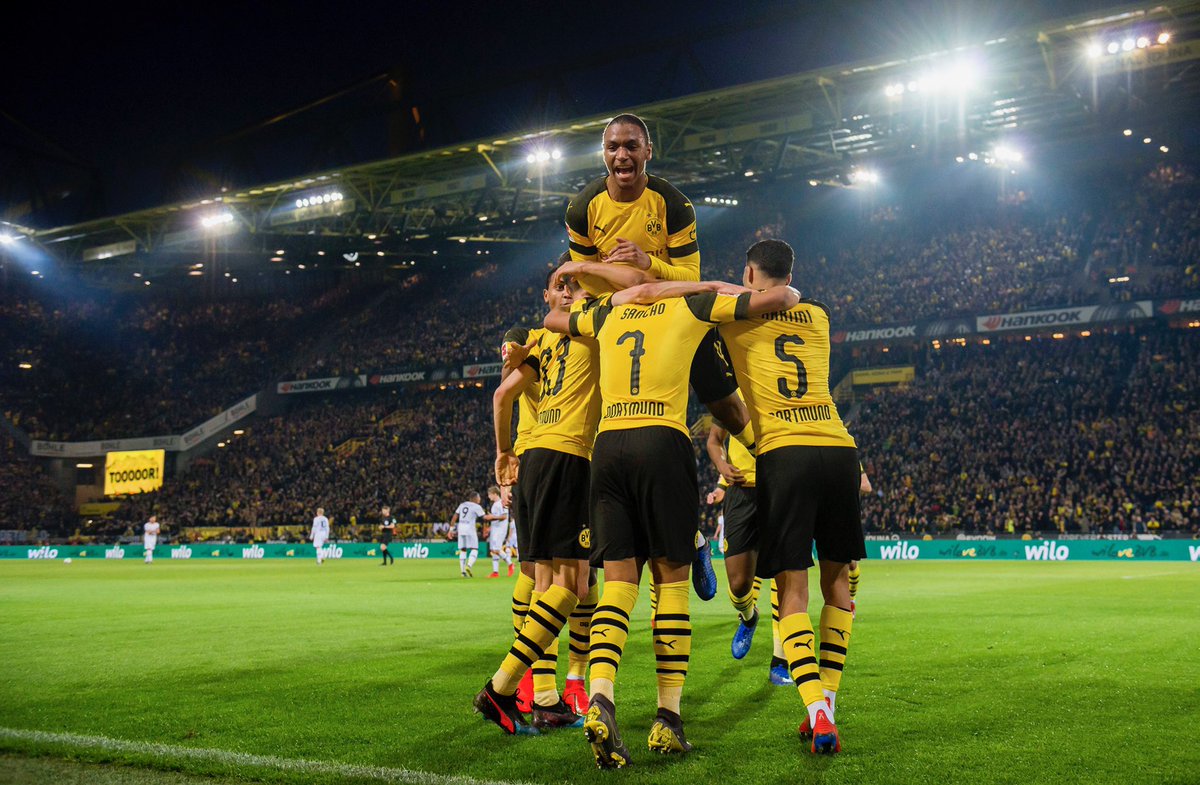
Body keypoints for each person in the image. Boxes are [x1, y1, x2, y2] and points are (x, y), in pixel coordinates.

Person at [545, 271, 799, 766]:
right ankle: (668, 718)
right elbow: (782, 296)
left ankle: (601, 697)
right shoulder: (693, 305)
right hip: (662, 439)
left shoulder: (608, 312)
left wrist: (624, 293)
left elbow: (555, 317)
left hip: (609, 444)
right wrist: (715, 284)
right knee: (671, 586)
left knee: (618, 586)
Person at [564, 113, 754, 602]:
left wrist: (647, 265)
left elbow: (690, 273)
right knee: (601, 423)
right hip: (619, 318)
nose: (621, 156)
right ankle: (673, 538)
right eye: (612, 147)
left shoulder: (671, 203)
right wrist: (616, 285)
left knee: (728, 409)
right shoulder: (583, 207)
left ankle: (774, 463)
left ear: (648, 150)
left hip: (674, 312)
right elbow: (582, 277)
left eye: (631, 146)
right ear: (602, 152)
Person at [714, 239, 866, 755]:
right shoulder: (818, 316)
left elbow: (717, 301)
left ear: (749, 272)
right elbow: (787, 298)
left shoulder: (734, 320)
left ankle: (816, 710)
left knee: (791, 591)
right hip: (839, 451)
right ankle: (830, 697)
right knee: (839, 584)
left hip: (785, 454)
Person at [474, 267, 601, 734]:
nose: (568, 292)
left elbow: (503, 393)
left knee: (549, 585)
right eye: (562, 285)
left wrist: (503, 452)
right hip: (567, 459)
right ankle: (501, 687)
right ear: (547, 293)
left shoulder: (538, 342)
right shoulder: (598, 324)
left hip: (532, 459)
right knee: (573, 587)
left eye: (575, 285)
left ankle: (546, 697)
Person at [705, 416, 792, 686]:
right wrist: (722, 470)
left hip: (780, 488)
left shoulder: (780, 387)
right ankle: (749, 616)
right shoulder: (734, 391)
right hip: (741, 493)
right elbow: (715, 440)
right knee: (740, 584)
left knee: (785, 577)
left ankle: (781, 661)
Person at [451, 492, 486, 577]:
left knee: (463, 549)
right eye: (479, 498)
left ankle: (462, 572)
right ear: (475, 498)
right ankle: (469, 566)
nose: (480, 500)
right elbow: (484, 517)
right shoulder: (476, 506)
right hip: (469, 528)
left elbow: (455, 516)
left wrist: (450, 530)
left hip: (461, 527)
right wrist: (496, 517)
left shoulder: (462, 504)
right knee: (475, 548)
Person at [483, 486, 513, 578]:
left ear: (495, 494)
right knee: (493, 550)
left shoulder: (502, 503)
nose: (489, 497)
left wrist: (491, 517)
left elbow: (504, 517)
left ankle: (510, 564)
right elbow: (496, 518)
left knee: (496, 549)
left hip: (501, 530)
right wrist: (489, 528)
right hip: (495, 529)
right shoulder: (495, 504)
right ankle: (495, 572)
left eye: (489, 494)